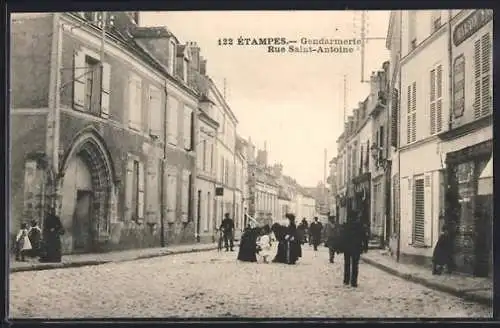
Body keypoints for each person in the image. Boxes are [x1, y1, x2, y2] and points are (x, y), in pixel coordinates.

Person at [342, 212, 366, 288]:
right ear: (356, 217)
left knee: (347, 264)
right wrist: (365, 246)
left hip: (347, 247)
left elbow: (342, 236)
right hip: (356, 247)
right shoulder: (360, 226)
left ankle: (346, 280)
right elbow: (364, 237)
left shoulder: (346, 225)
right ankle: (354, 282)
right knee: (355, 265)